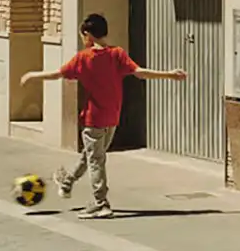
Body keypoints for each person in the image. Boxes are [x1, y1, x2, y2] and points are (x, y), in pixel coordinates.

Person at [21, 13, 186, 219]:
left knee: (95, 160)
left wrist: (32, 76)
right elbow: (140, 72)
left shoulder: (84, 58)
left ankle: (101, 203)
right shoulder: (117, 54)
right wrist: (169, 74)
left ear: (88, 35)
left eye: (83, 35)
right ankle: (68, 181)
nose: (83, 39)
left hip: (93, 119)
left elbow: (57, 74)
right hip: (112, 118)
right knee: (92, 155)